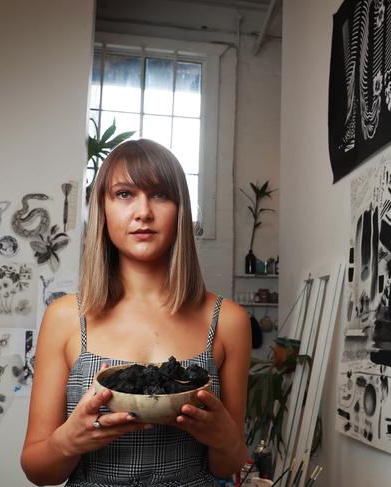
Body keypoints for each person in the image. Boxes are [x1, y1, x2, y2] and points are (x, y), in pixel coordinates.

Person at [20, 139, 251, 486]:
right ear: (103, 208)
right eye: (125, 194)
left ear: (181, 210)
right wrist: (68, 441)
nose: (143, 211)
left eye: (160, 194)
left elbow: (227, 466)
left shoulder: (229, 321)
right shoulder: (65, 317)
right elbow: (38, 471)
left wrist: (225, 438)